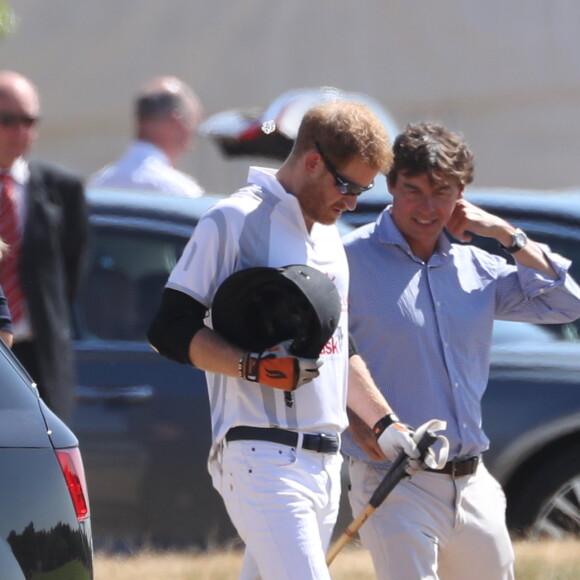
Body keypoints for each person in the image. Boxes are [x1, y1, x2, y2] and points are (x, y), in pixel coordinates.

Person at [148, 101, 424, 580]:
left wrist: (385, 425)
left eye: (363, 190)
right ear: (313, 162)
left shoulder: (332, 238)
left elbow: (340, 347)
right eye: (348, 185)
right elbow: (169, 328)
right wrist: (252, 368)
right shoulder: (232, 220)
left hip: (323, 464)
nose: (353, 201)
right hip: (260, 455)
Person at [342, 122, 580, 580]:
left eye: (442, 192)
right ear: (391, 185)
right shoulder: (348, 260)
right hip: (393, 480)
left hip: (473, 483)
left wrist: (506, 233)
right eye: (412, 190)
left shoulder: (477, 264)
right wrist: (358, 419)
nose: (427, 208)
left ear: (462, 194)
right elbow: (321, 355)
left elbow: (566, 303)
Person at [0, 70, 89, 423]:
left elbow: (69, 276)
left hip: (38, 357)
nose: (21, 132)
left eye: (30, 120)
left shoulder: (61, 189)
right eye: (7, 120)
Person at [88, 75, 204, 197]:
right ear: (175, 122)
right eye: (192, 123)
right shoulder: (181, 191)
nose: (191, 137)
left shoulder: (98, 184)